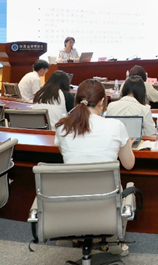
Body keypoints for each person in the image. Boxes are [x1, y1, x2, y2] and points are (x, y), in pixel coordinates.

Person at [54, 78, 135, 256]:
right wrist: (127, 144)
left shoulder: (62, 127)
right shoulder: (116, 126)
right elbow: (129, 165)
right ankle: (113, 240)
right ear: (102, 102)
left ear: (76, 101)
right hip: (106, 202)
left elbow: (68, 157)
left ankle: (80, 234)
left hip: (72, 200)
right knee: (124, 190)